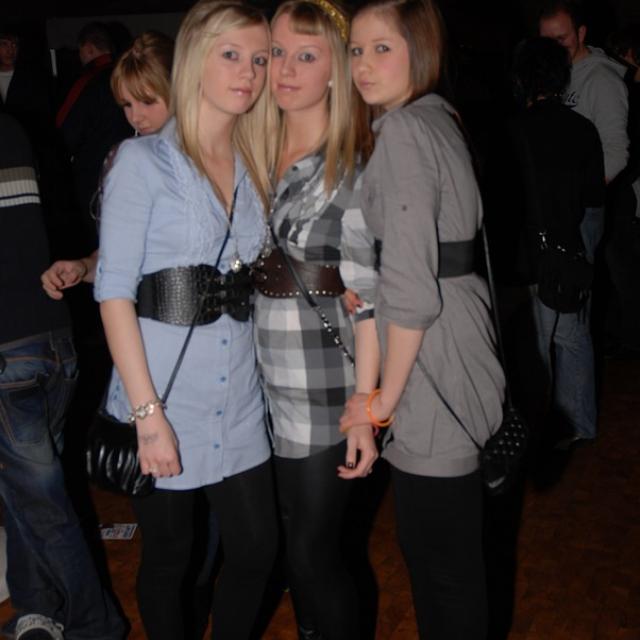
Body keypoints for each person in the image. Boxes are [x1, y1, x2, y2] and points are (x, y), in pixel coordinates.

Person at [94, 2, 277, 639]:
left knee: (256, 549)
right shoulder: (142, 161)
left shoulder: (256, 161)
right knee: (172, 557)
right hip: (165, 399)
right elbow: (114, 293)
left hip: (240, 395)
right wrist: (147, 417)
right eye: (231, 55)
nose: (248, 72)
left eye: (259, 59)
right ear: (197, 57)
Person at [342, 1, 505, 638]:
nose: (363, 64)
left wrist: (381, 403)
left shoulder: (406, 131)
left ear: (422, 49)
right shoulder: (440, 117)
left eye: (382, 48)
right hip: (460, 339)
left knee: (440, 563)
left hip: (431, 359)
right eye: (356, 50)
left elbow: (411, 293)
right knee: (453, 560)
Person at [253, 1, 379, 638]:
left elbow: (372, 297)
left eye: (306, 55)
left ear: (336, 69)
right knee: (289, 544)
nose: (285, 69)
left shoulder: (352, 163)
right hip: (256, 382)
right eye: (277, 52)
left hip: (323, 382)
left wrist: (365, 408)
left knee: (312, 552)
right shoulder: (252, 149)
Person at [0, 113, 125, 640]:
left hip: (10, 352)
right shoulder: (12, 129)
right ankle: (37, 607)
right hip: (54, 340)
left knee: (41, 501)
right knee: (28, 490)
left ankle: (96, 625)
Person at [509, 37, 605, 446]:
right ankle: (577, 425)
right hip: (566, 252)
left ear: (521, 79)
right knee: (572, 339)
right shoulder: (583, 130)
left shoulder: (512, 132)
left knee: (534, 348)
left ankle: (535, 431)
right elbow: (594, 199)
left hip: (526, 258)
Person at [42, 31, 174, 299]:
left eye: (147, 101)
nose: (136, 116)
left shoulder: (221, 150)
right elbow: (118, 253)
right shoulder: (128, 159)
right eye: (127, 104)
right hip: (156, 308)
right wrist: (84, 266)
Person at [56, 22, 132, 254]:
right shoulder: (127, 75)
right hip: (129, 171)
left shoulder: (87, 81)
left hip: (93, 177)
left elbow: (64, 131)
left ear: (88, 49)